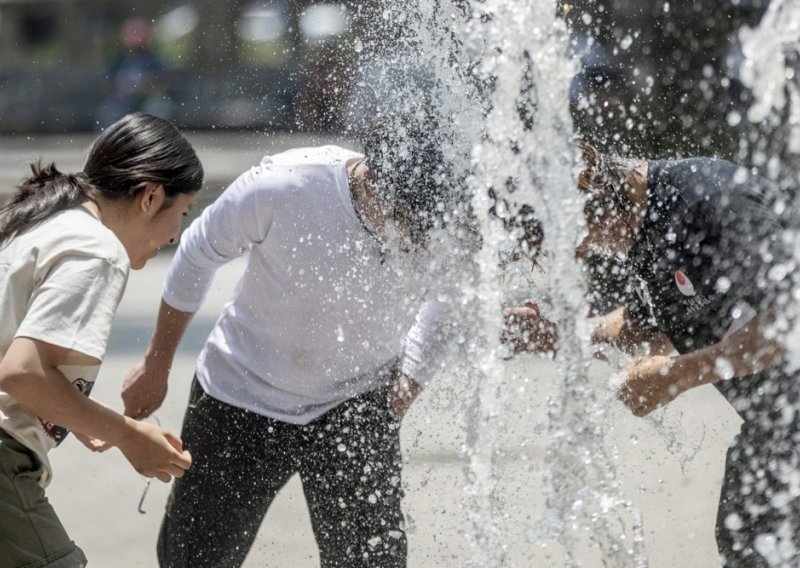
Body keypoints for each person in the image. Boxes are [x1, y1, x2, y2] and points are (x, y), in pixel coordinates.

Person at [121, 116, 460, 566]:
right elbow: (197, 252)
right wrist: (156, 363)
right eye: (406, 225)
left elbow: (453, 297)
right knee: (192, 560)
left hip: (356, 402)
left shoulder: (447, 209)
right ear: (373, 183)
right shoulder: (286, 185)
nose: (416, 244)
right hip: (239, 394)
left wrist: (406, 385)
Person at [504, 140, 798, 566]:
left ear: (591, 189)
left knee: (756, 545)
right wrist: (561, 333)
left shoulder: (712, 202)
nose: (579, 253)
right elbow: (644, 328)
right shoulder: (646, 231)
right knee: (747, 540)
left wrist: (675, 375)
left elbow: (787, 321)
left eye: (572, 238)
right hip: (777, 427)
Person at [0, 112, 202, 567]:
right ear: (151, 196)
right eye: (182, 212)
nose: (175, 235)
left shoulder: (45, 222)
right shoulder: (98, 250)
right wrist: (129, 436)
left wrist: (89, 419)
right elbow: (21, 372)